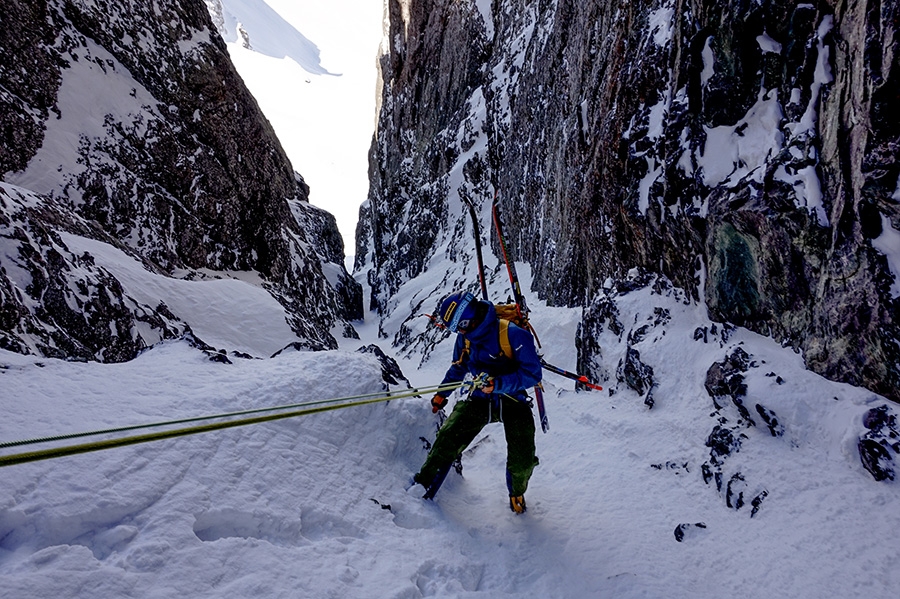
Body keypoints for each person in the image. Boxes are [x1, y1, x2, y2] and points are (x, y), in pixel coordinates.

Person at [413, 290, 542, 514]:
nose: (460, 331)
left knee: (522, 457)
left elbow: (532, 374)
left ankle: (517, 493)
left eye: (460, 325)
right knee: (448, 436)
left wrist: (498, 384)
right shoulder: (465, 339)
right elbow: (458, 367)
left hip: (514, 400)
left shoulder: (513, 335)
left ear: (470, 316)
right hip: (481, 399)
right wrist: (441, 395)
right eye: (456, 328)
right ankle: (422, 488)